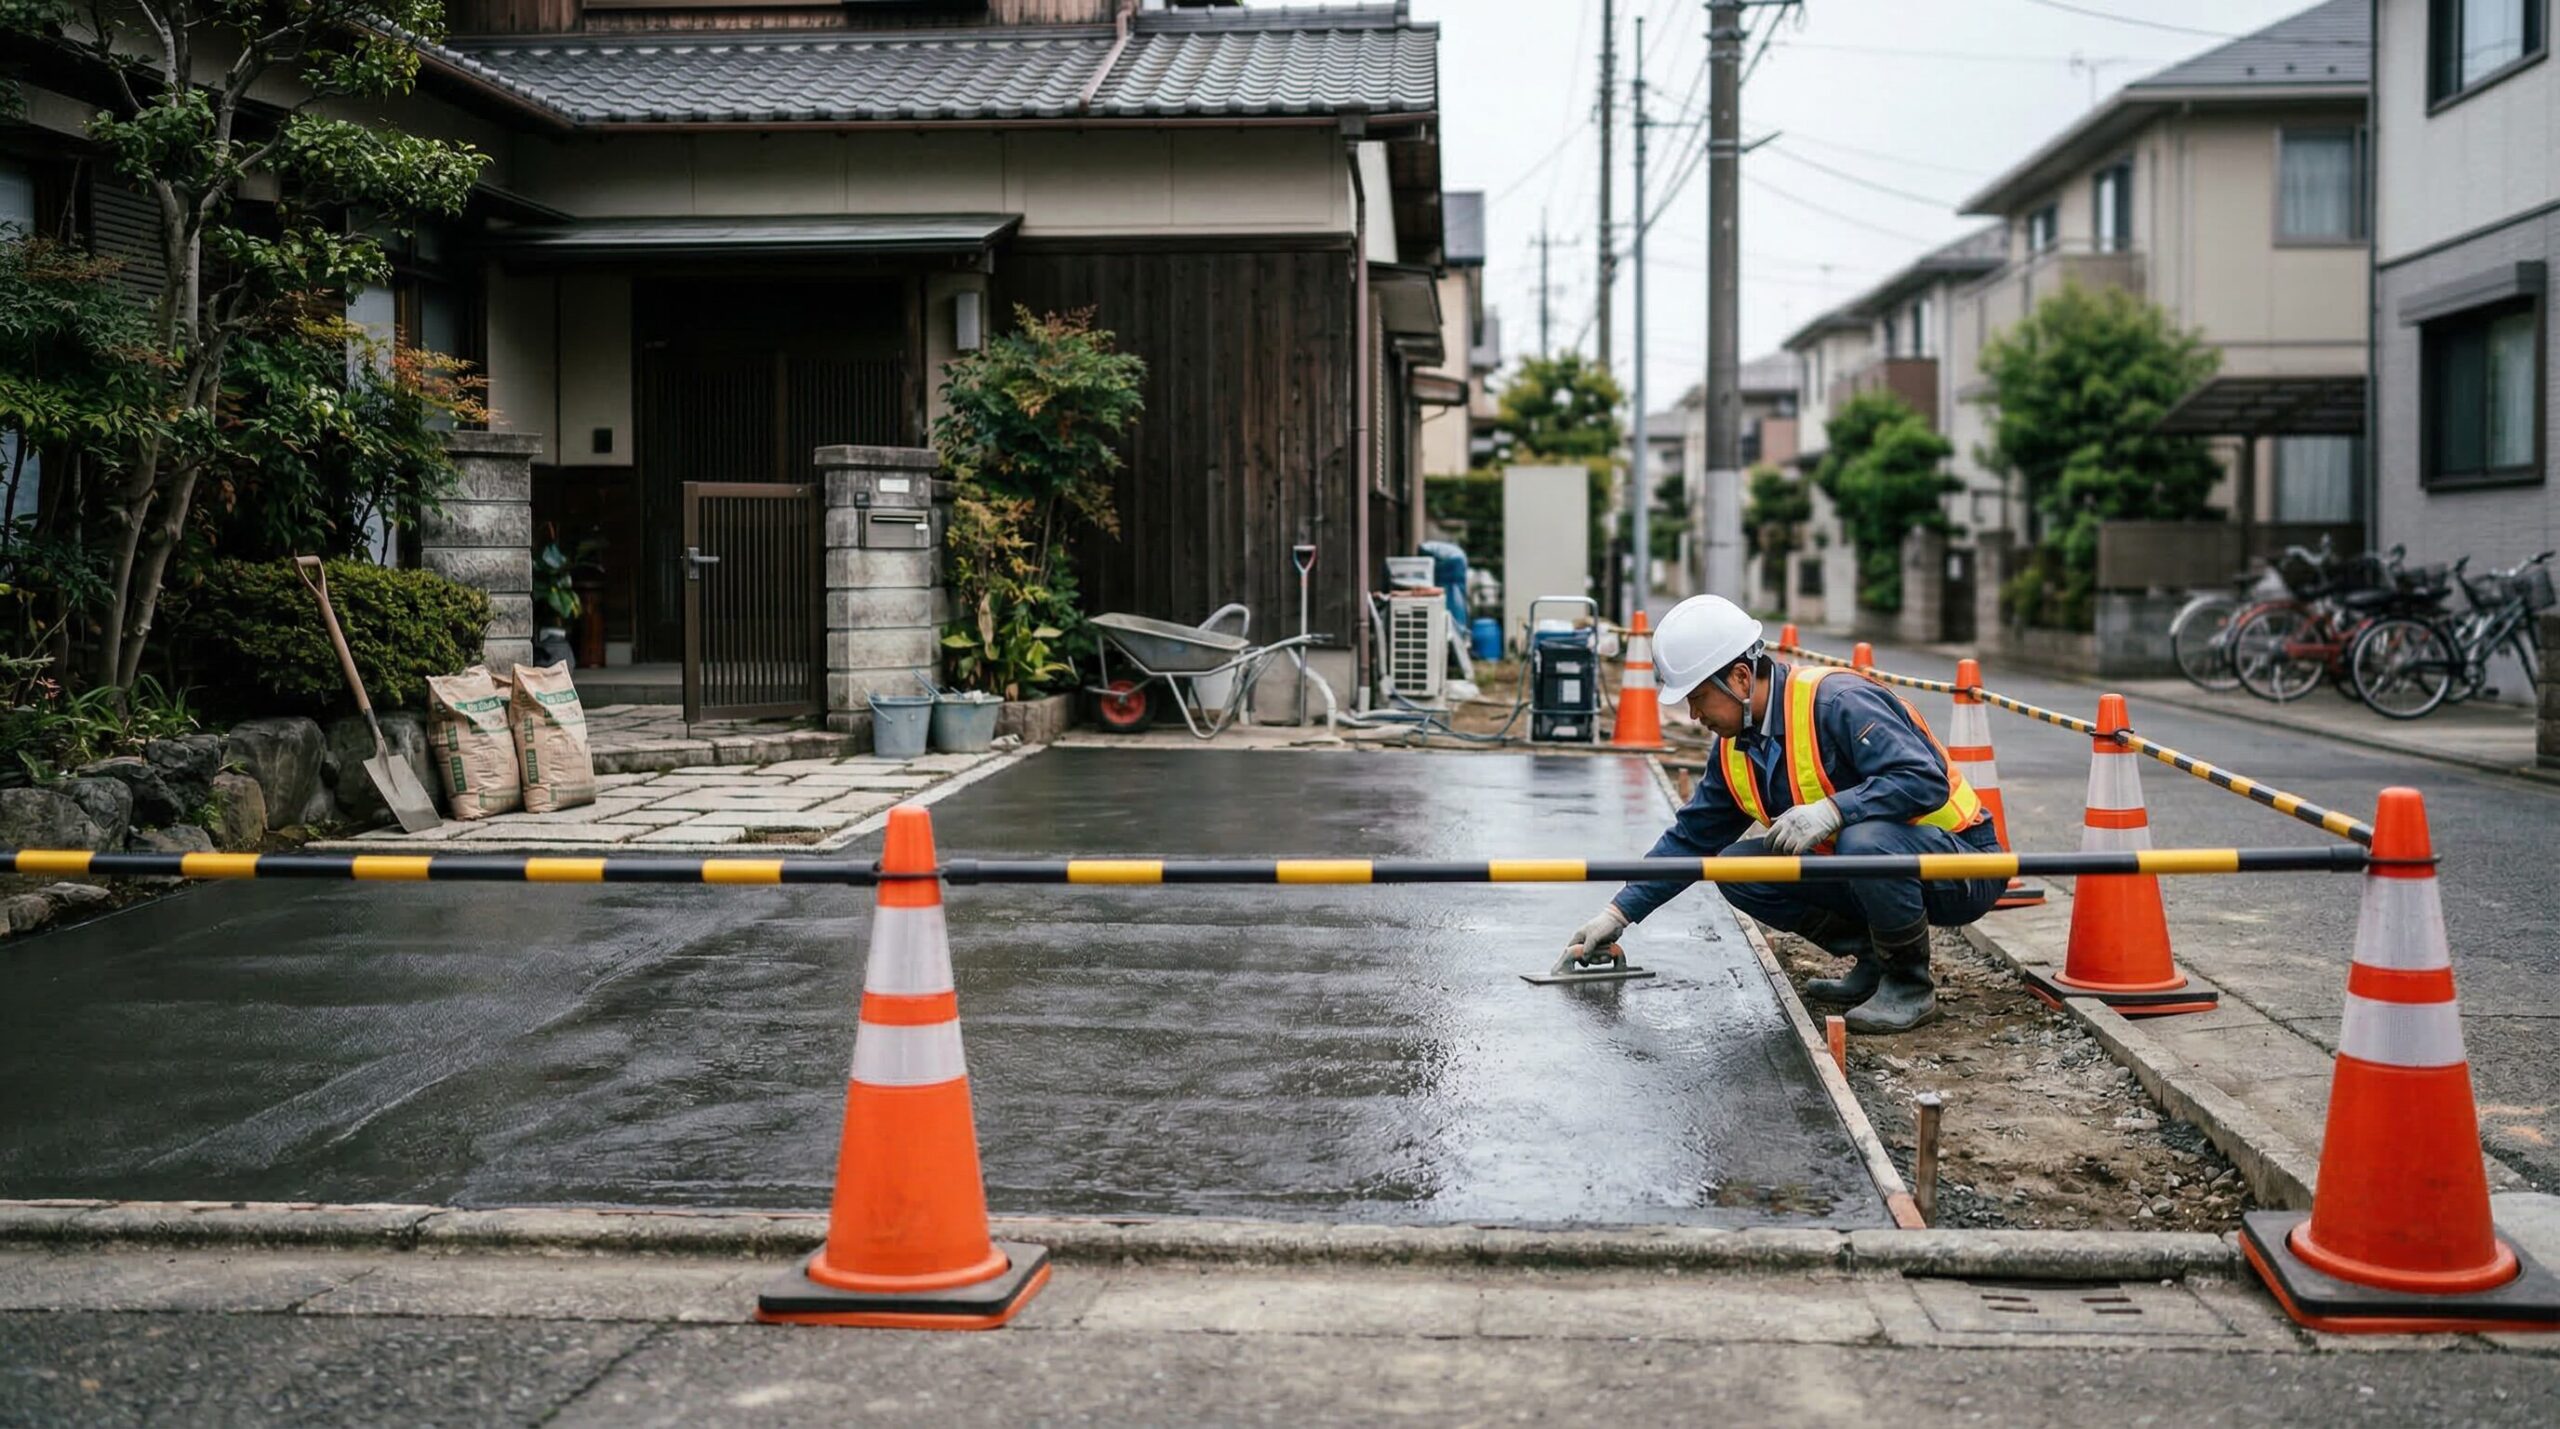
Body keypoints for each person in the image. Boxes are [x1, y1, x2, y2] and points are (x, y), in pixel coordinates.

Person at [1565, 595, 2004, 1032]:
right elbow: (1691, 839)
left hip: (1962, 865)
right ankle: (1875, 961)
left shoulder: (1838, 702)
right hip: (1872, 870)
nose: (1694, 715)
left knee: (1863, 840)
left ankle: (1908, 985)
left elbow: (1923, 780)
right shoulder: (1734, 748)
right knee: (1737, 867)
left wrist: (1835, 810)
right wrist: (1619, 914)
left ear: (1739, 678)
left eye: (1698, 699)